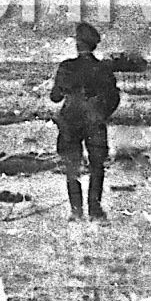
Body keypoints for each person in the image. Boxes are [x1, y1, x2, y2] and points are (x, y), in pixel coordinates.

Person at [49, 22, 120, 220]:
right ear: (93, 45)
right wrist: (101, 113)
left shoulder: (67, 67)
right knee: (97, 167)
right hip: (95, 122)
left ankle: (76, 211)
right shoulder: (103, 69)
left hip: (70, 122)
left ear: (78, 44)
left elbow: (55, 97)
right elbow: (114, 98)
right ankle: (95, 210)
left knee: (72, 168)